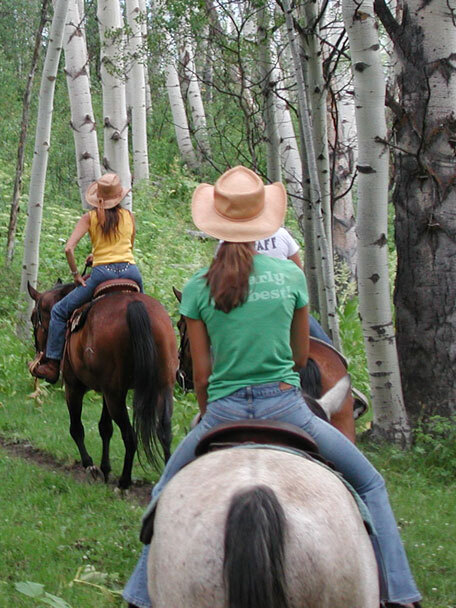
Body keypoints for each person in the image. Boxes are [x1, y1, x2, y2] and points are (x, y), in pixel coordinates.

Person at [122, 166, 421, 608]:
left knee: (164, 492)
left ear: (215, 224)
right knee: (371, 484)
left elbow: (201, 375)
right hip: (286, 407)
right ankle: (400, 592)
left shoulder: (197, 288)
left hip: (221, 412)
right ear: (262, 219)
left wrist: (209, 412)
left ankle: (139, 595)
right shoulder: (290, 277)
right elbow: (301, 359)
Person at [30, 173, 144, 384]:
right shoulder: (130, 216)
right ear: (118, 197)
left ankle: (53, 364)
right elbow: (127, 246)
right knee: (144, 311)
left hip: (102, 275)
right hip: (131, 272)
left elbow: (68, 248)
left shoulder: (89, 218)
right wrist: (100, 254)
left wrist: (76, 274)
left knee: (58, 311)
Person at [219, 225, 333, 344]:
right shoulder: (281, 234)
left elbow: (220, 275)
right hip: (283, 304)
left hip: (242, 305)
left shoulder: (226, 240)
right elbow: (298, 273)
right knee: (325, 348)